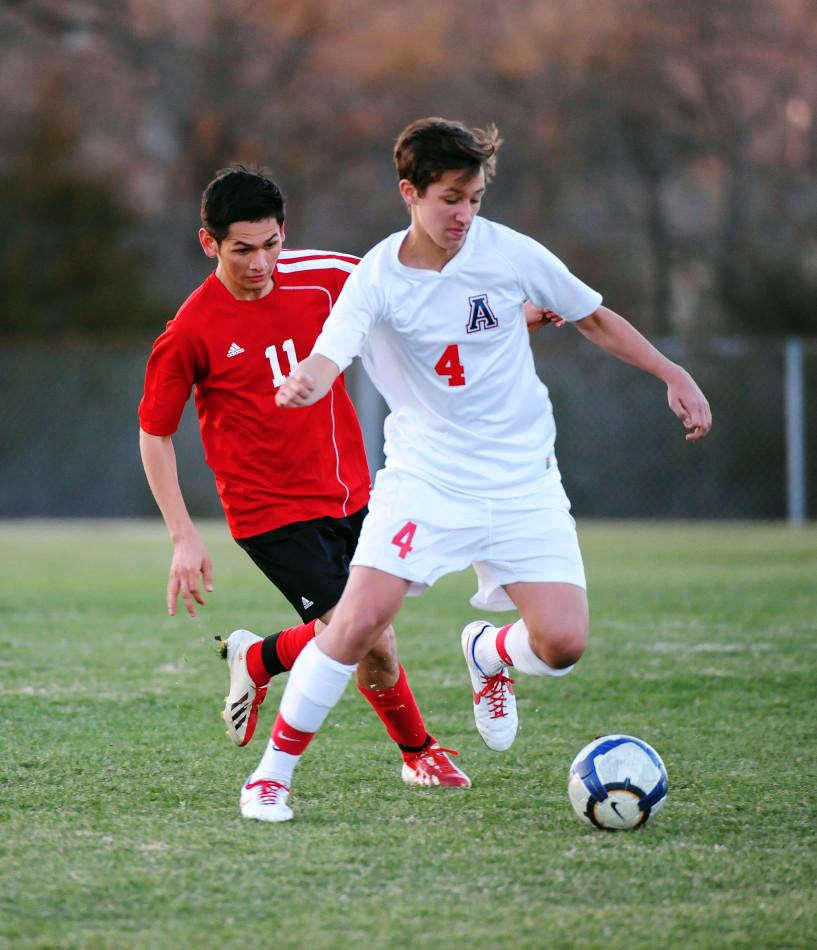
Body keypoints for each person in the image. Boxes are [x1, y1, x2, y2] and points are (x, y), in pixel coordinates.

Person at [260, 117, 713, 824]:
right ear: (409, 192)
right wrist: (309, 382)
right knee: (355, 624)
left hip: (522, 479)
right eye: (449, 198)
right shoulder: (377, 277)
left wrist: (669, 372)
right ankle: (271, 777)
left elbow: (590, 316)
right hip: (427, 480)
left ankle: (488, 649)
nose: (464, 214)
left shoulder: (508, 253)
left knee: (563, 644)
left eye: (473, 197)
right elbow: (329, 353)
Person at [138, 165, 473, 822]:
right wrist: (182, 534)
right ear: (209, 244)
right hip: (270, 513)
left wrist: (511, 313)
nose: (261, 262)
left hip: (353, 494)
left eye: (271, 244)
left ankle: (259, 658)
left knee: (372, 637)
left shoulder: (324, 276)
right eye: (242, 249)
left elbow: (409, 288)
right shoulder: (189, 331)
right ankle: (417, 752)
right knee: (365, 636)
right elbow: (154, 434)